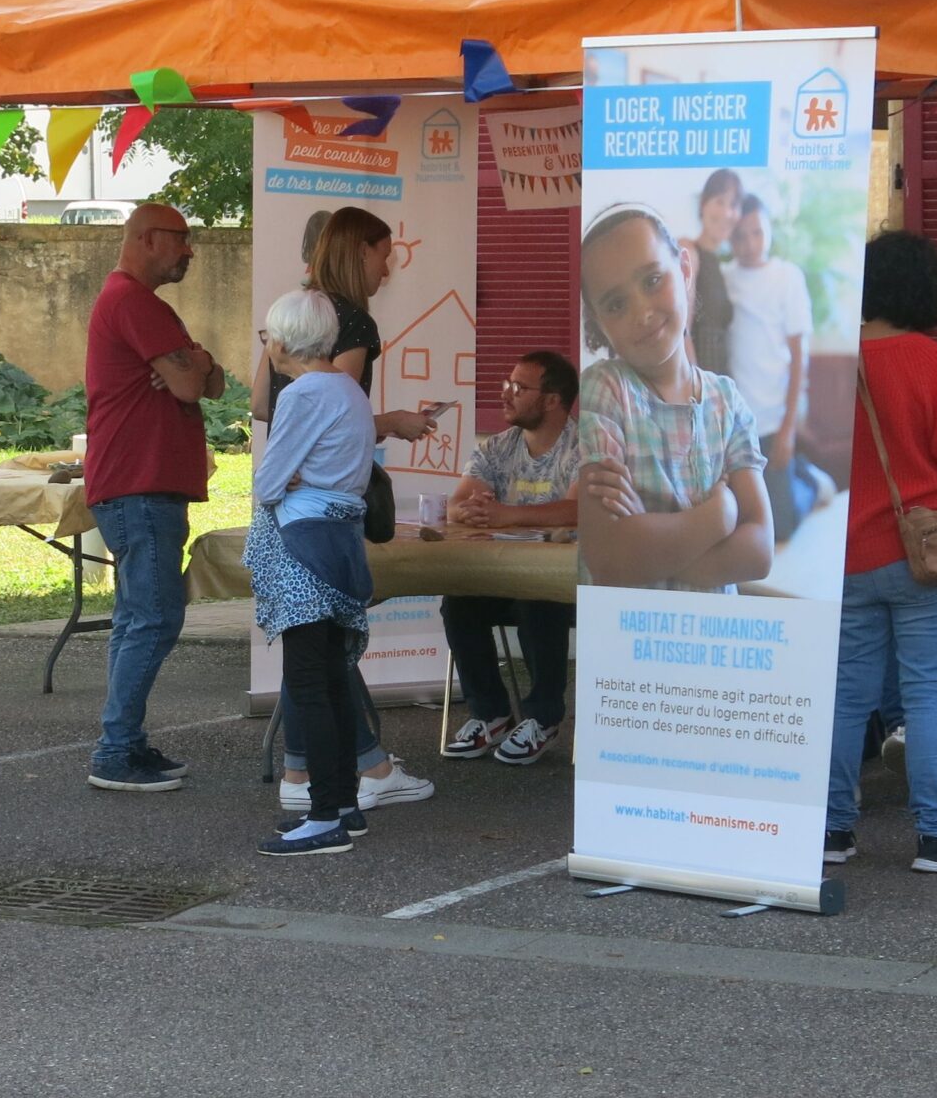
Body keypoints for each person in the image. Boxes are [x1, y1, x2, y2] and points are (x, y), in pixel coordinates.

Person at [259, 206, 439, 815]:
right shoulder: (345, 331)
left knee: (312, 658)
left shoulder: (298, 320)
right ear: (360, 250)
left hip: (298, 519)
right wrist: (389, 424)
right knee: (320, 660)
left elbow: (266, 409)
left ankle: (317, 784)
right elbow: (343, 407)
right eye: (384, 252)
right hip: (322, 520)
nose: (388, 266)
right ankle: (345, 778)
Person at [826, 232, 937, 873]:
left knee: (848, 696)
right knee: (926, 695)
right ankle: (935, 835)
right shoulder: (933, 360)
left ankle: (834, 830)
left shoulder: (830, 360)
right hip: (923, 550)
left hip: (846, 551)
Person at [84, 203, 225, 794]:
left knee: (136, 618)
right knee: (156, 618)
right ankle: (115, 750)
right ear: (146, 239)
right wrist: (190, 368)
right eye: (181, 240)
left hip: (136, 488)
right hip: (140, 487)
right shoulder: (135, 303)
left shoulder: (136, 305)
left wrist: (196, 362)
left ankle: (126, 743)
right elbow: (195, 384)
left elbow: (209, 381)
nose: (189, 251)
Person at [571, 206, 771, 591]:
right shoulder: (605, 391)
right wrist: (719, 516)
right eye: (615, 304)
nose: (642, 312)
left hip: (714, 640)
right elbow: (610, 559)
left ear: (683, 267)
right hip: (627, 638)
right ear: (597, 320)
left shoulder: (727, 402)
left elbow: (759, 552)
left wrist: (651, 550)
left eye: (652, 280)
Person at [248, 288, 378, 856]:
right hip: (341, 543)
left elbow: (267, 483)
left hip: (302, 548)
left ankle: (323, 816)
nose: (267, 345)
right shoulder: (349, 389)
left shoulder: (302, 393)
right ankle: (344, 804)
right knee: (330, 678)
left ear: (283, 340)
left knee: (309, 684)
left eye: (267, 336)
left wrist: (294, 477)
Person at [440, 350, 583, 765]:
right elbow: (454, 507)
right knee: (460, 602)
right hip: (505, 575)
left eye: (519, 388)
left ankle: (544, 717)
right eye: (507, 383)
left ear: (552, 399)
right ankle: (491, 715)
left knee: (536, 599)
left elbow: (579, 510)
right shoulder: (497, 448)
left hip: (569, 585)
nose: (505, 394)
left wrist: (507, 514)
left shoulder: (587, 446)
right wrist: (470, 511)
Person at [725, 192, 826, 540]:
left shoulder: (787, 277)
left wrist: (788, 430)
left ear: (769, 230)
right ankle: (798, 472)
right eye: (740, 235)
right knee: (741, 520)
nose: (750, 243)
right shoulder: (724, 278)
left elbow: (799, 355)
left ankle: (809, 480)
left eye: (757, 232)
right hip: (737, 422)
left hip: (773, 418)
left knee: (781, 527)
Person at [685, 168, 740, 375]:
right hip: (701, 390)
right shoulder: (689, 252)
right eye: (720, 201)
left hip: (722, 385)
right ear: (703, 204)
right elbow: (682, 333)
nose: (727, 212)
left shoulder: (720, 265)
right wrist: (700, 395)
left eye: (733, 205)